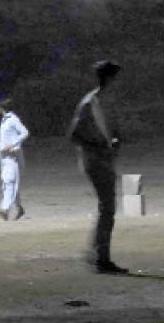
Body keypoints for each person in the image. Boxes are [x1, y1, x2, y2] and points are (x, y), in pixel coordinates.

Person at [67, 60, 128, 275]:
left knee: (107, 208)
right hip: (95, 160)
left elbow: (111, 130)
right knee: (108, 208)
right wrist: (101, 147)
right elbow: (74, 134)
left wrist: (115, 140)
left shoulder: (103, 100)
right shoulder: (91, 101)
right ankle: (101, 258)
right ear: (110, 78)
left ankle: (96, 254)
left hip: (102, 158)